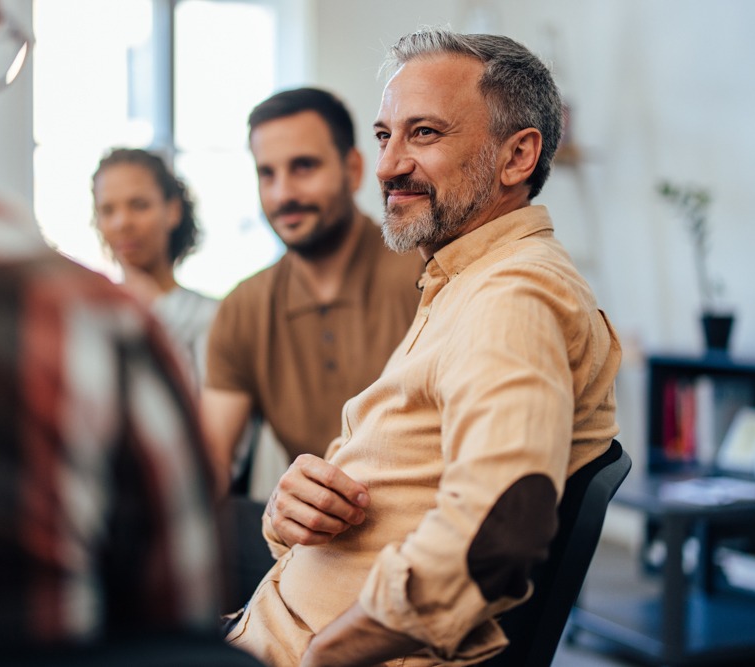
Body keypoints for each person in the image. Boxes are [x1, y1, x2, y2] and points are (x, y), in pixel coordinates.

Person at [226, 28, 622, 667]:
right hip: (269, 628)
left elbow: (500, 529)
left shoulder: (512, 296)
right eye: (386, 135)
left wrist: (328, 653)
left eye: (425, 134)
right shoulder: (461, 281)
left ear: (517, 157)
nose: (387, 165)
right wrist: (290, 507)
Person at [0, 1, 222, 664]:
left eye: (139, 203)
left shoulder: (187, 315)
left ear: (173, 209)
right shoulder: (78, 321)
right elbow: (181, 628)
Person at [202, 87, 423, 490]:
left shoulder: (426, 277)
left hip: (423, 529)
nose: (282, 193)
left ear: (353, 170)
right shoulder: (242, 308)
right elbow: (209, 464)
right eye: (267, 174)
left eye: (303, 167)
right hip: (305, 537)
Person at [92, 147, 219, 383]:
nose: (122, 222)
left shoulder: (213, 318)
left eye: (139, 205)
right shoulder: (90, 317)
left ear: (172, 211)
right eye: (108, 210)